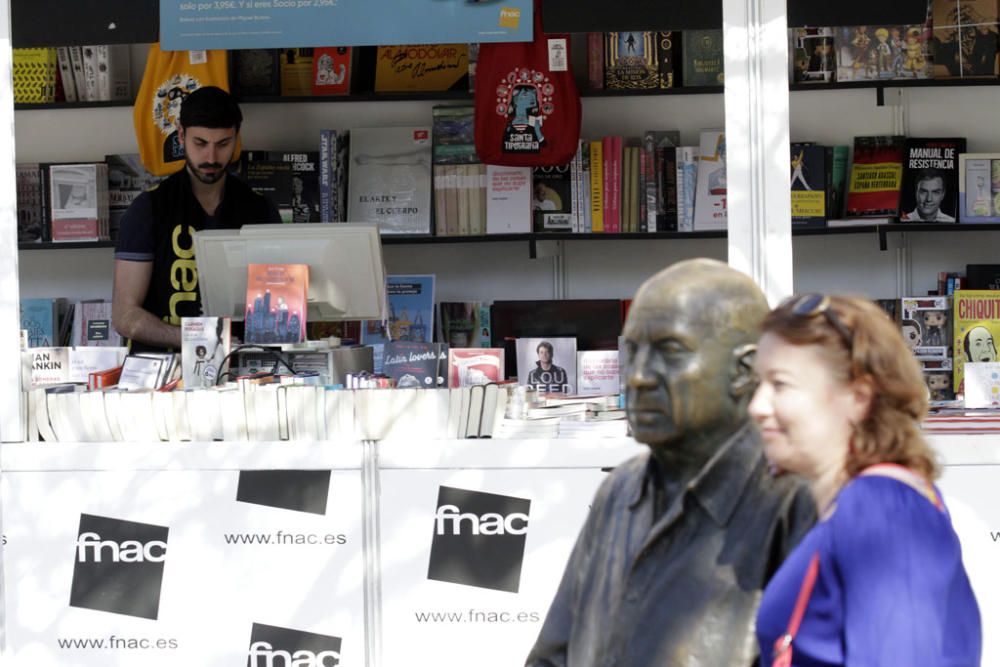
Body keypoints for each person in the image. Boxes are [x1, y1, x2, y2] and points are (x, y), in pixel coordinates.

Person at [526, 259, 815, 666]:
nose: (638, 376)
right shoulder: (620, 492)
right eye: (633, 351)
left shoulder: (796, 500)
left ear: (744, 370)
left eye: (670, 351)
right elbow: (552, 656)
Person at [750, 294, 981, 666]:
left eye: (780, 385)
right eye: (757, 383)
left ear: (858, 397)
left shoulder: (884, 512)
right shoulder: (872, 505)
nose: (756, 406)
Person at [112, 86, 280, 351]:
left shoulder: (259, 209)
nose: (211, 157)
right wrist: (194, 338)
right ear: (181, 135)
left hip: (242, 368)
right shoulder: (149, 208)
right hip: (164, 373)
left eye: (223, 144)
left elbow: (277, 299)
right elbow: (124, 316)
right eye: (200, 143)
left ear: (236, 139)